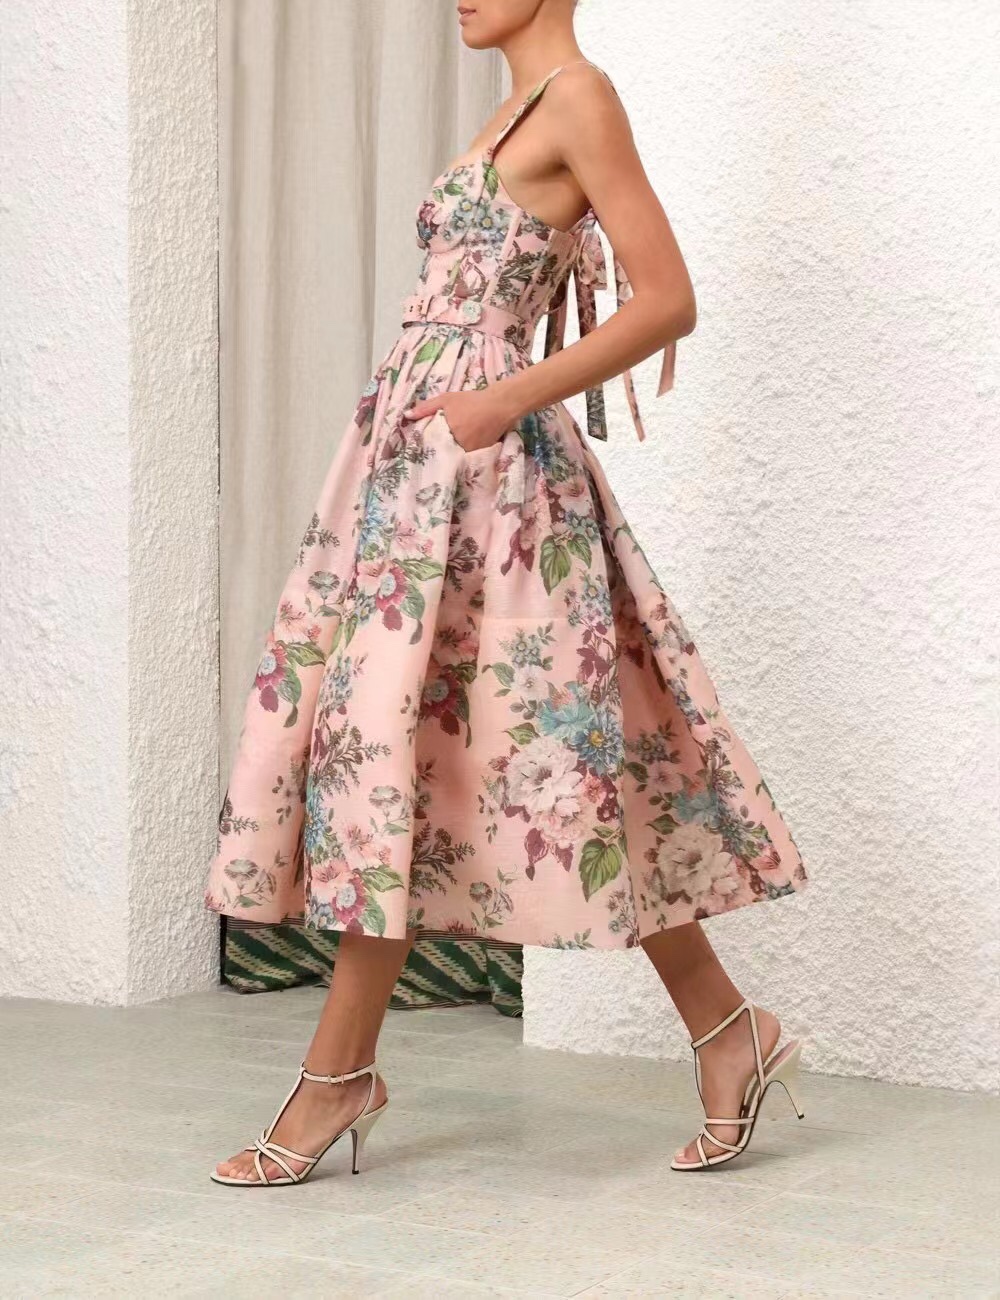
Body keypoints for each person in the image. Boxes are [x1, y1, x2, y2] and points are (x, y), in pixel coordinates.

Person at [206, 0, 809, 1186]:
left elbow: (666, 298)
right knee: (444, 754)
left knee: (446, 751)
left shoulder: (578, 95)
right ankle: (726, 1030)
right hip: (415, 471)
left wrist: (502, 399)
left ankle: (338, 1074)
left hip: (491, 481)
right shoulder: (511, 111)